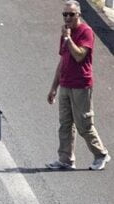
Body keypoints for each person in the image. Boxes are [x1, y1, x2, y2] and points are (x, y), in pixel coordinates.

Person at [47, 0, 109, 171]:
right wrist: (54, 87)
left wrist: (68, 39)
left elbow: (79, 55)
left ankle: (101, 154)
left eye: (71, 14)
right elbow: (63, 60)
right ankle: (65, 159)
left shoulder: (85, 32)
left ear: (79, 15)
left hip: (81, 84)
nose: (67, 18)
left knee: (84, 124)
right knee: (65, 124)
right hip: (66, 83)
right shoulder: (65, 33)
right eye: (64, 14)